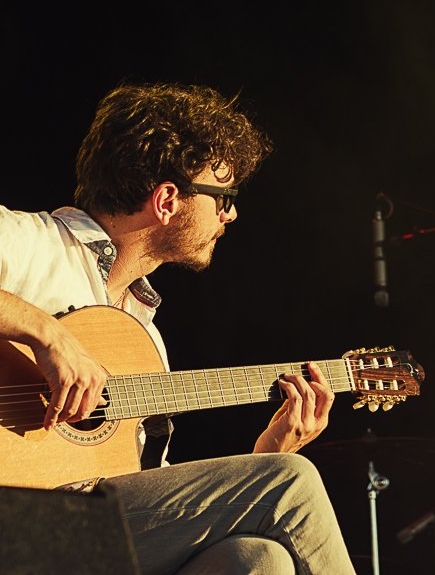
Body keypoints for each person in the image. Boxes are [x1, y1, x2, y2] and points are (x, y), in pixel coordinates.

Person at [0, 83, 356, 574]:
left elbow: (140, 486)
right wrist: (47, 333)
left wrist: (262, 457)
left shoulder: (141, 334)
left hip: (81, 540)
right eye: (223, 195)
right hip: (20, 526)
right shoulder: (28, 244)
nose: (231, 213)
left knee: (256, 559)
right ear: (167, 199)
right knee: (289, 483)